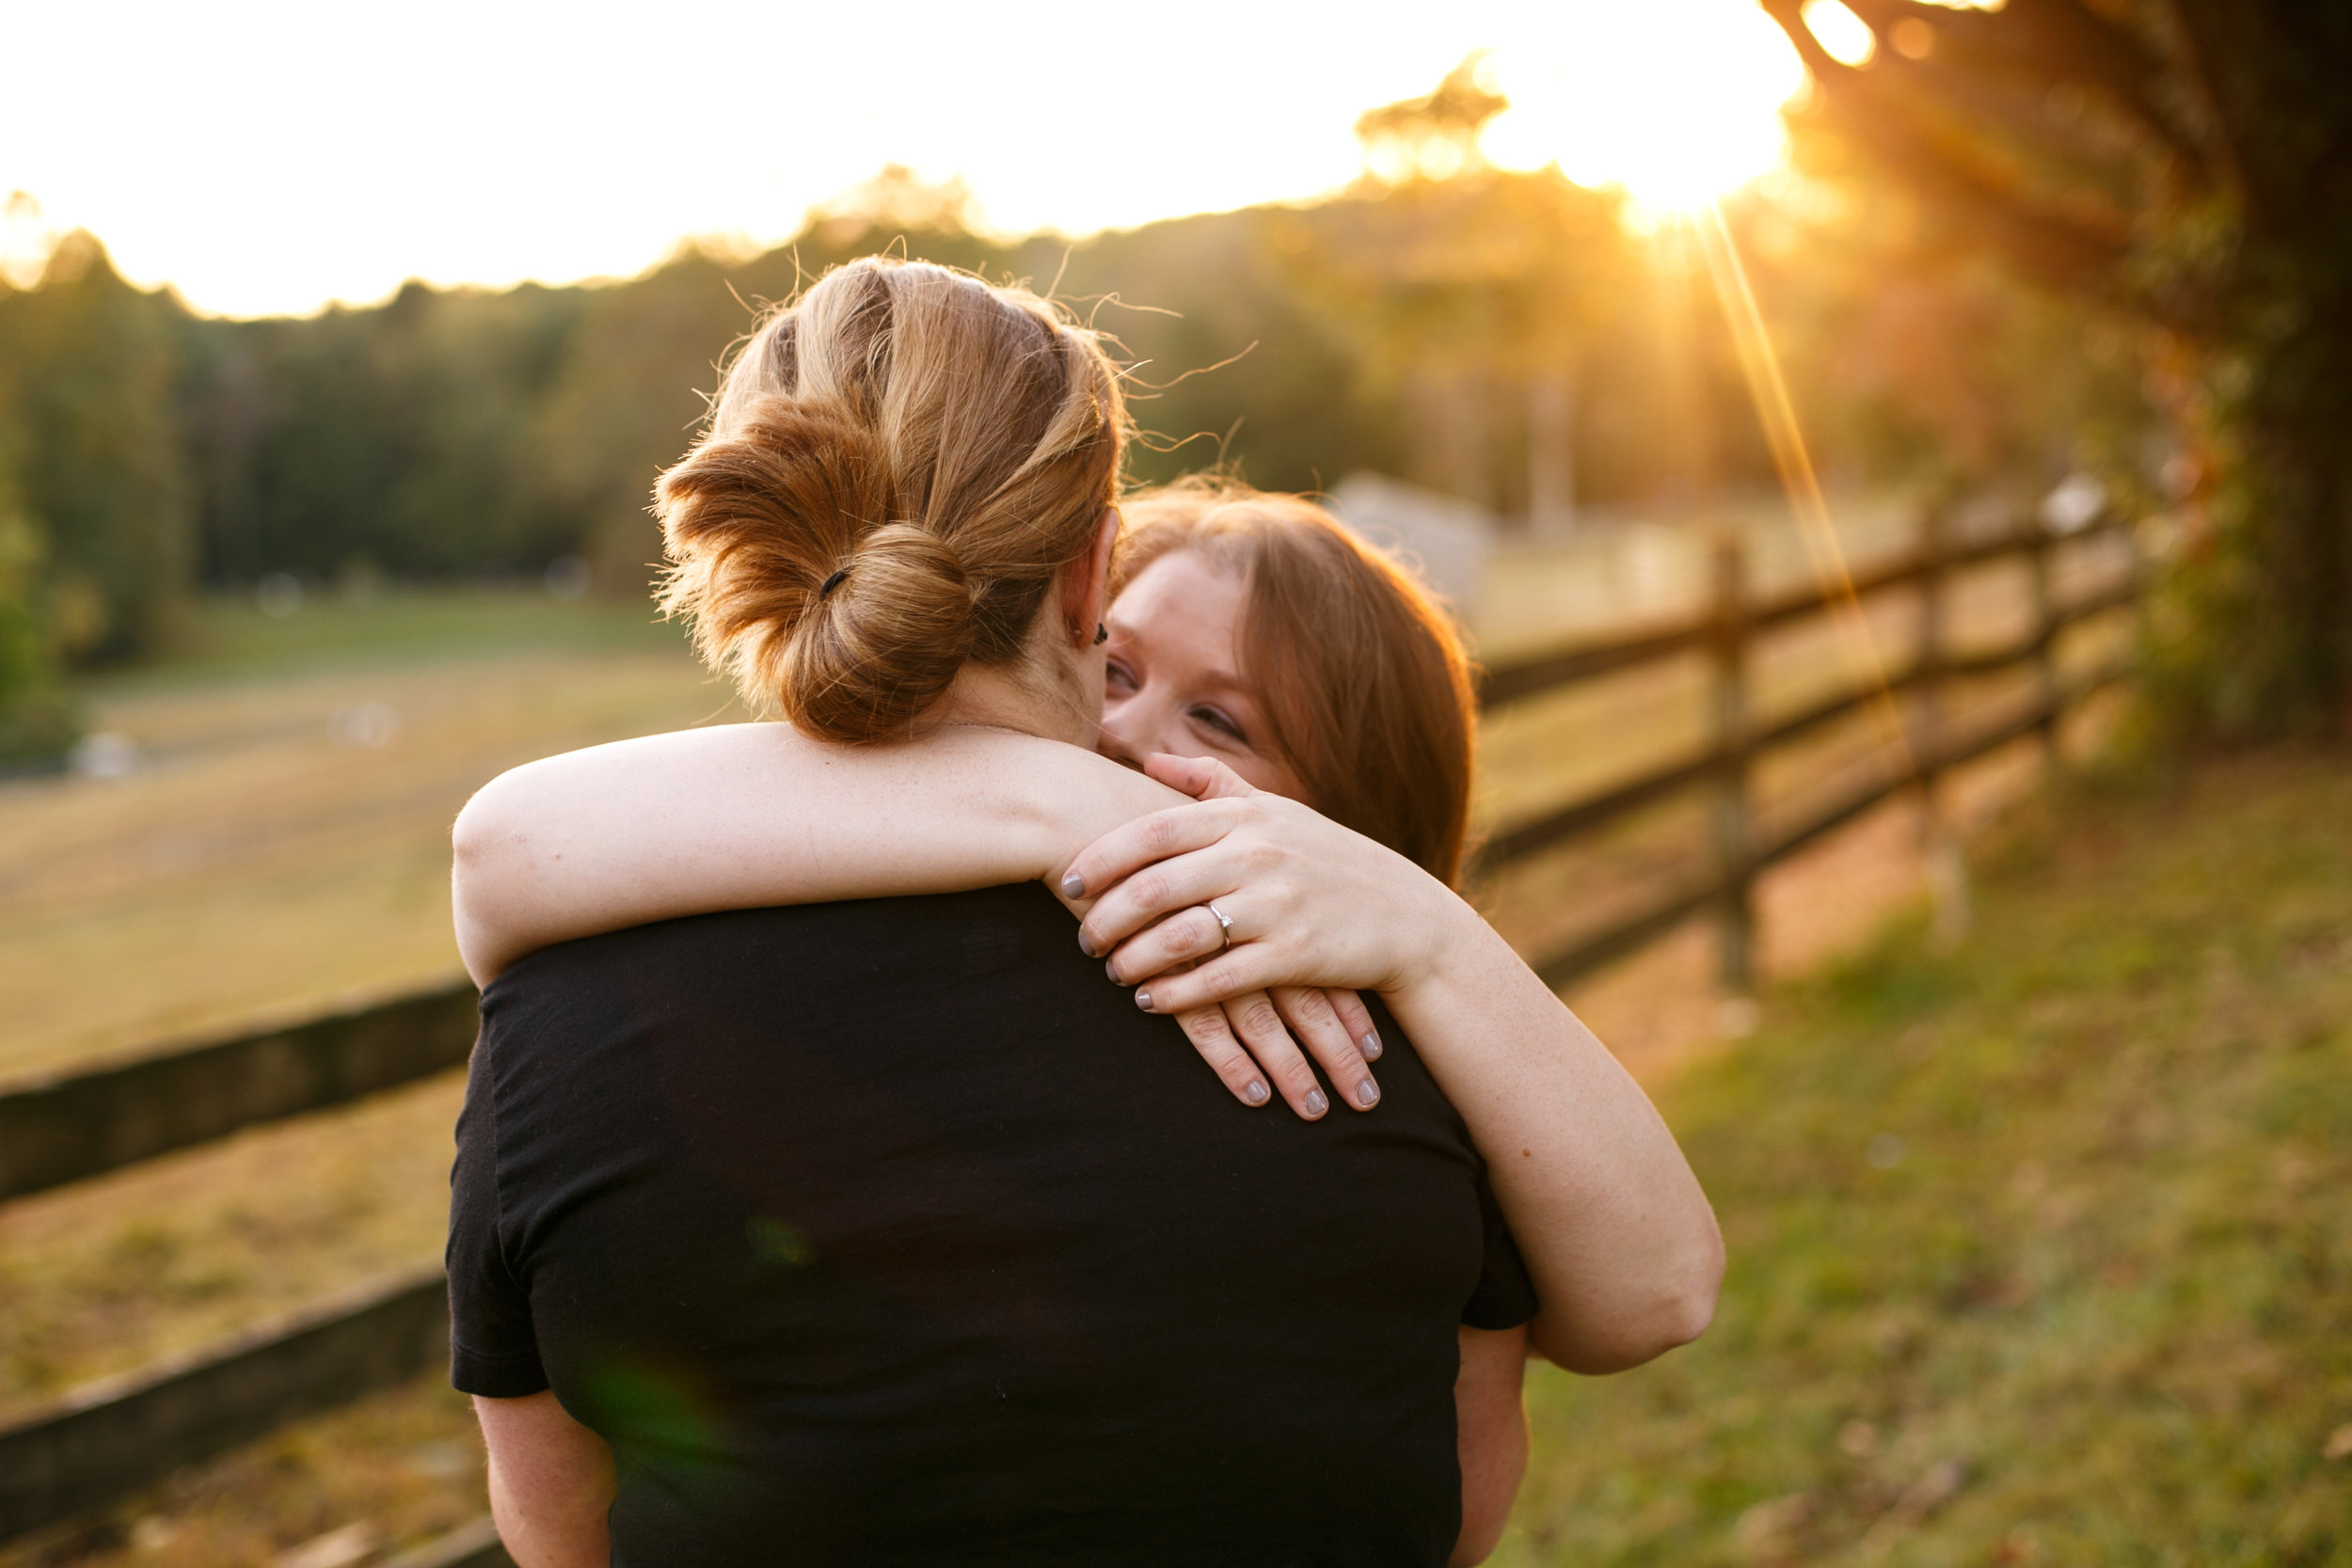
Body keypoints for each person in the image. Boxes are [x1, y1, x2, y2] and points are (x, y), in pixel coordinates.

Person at [448, 259, 1695, 1568]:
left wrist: (1421, 926)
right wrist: (1055, 802)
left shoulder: (565, 1014)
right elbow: (1454, 1500)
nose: (1136, 742)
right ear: (1093, 576)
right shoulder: (1354, 1044)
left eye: (1222, 719)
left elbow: (558, 1525)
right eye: (1129, 674)